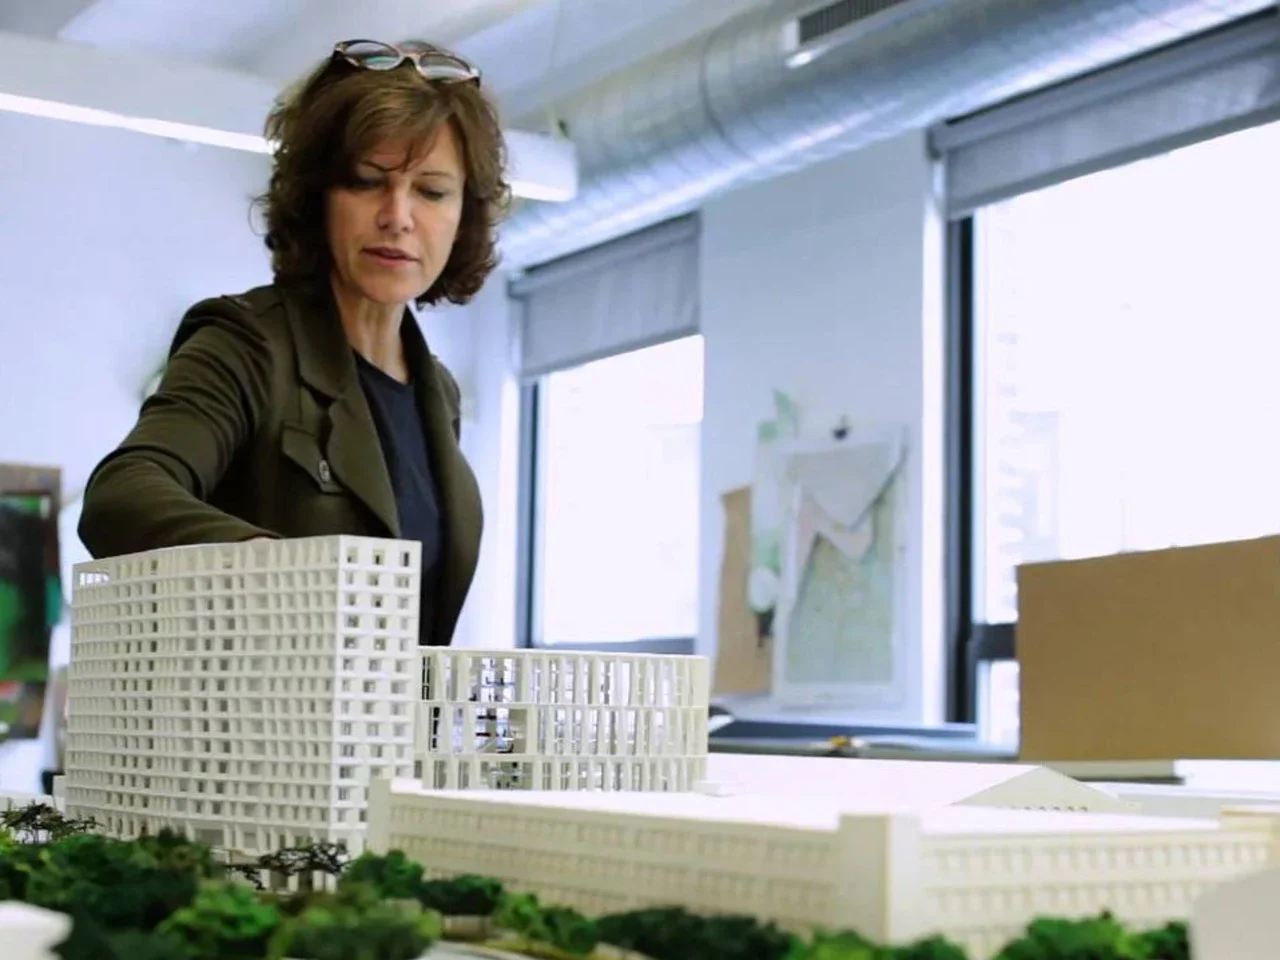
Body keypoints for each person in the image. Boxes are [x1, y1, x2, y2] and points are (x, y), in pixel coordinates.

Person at [78, 40, 510, 647]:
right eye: (366, 181)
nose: (398, 215)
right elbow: (120, 495)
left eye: (432, 191)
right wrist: (277, 572)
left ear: (464, 216)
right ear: (317, 198)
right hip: (251, 708)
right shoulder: (247, 343)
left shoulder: (439, 394)